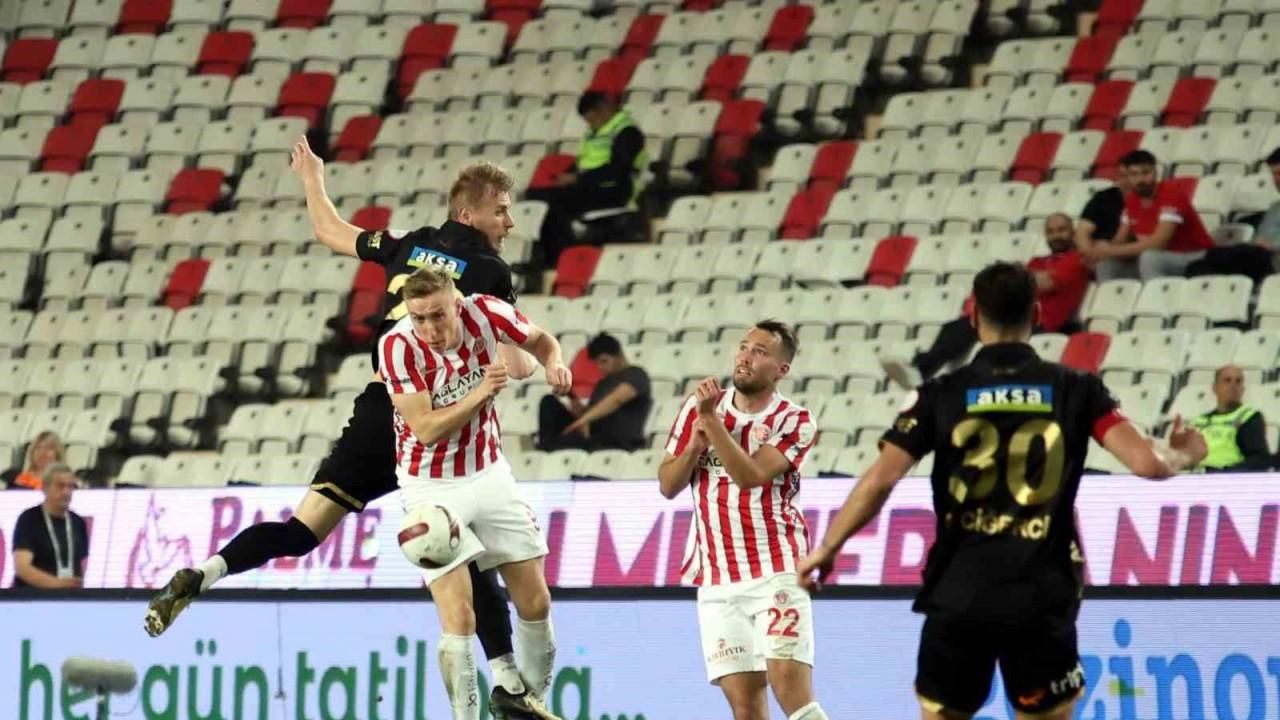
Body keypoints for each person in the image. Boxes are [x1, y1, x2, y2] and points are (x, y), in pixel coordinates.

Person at [147, 139, 558, 719]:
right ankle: (508, 681)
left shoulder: (407, 244)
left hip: (378, 412)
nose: (509, 223)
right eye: (501, 211)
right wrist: (516, 365)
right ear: (469, 214)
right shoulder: (488, 271)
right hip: (434, 423)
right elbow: (515, 357)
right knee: (464, 548)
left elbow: (329, 231)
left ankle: (204, 573)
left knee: (301, 531)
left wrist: (312, 178)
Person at [797, 262, 1208, 720]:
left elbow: (881, 478)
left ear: (974, 316)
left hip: (959, 592)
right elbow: (1148, 464)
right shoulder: (1077, 388)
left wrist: (828, 547)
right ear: (1037, 314)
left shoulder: (941, 392)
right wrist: (1187, 453)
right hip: (1041, 595)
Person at [380, 266, 572, 720]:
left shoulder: (487, 312)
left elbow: (541, 340)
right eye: (419, 317)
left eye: (438, 315)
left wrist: (554, 362)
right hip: (429, 486)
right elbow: (426, 429)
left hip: (488, 472)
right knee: (459, 618)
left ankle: (526, 704)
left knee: (536, 601)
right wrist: (483, 390)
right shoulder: (397, 346)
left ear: (457, 304)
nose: (429, 328)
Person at [658, 321, 829, 720]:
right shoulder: (699, 406)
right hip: (718, 578)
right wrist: (694, 446)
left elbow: (750, 476)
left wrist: (711, 424)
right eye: (743, 347)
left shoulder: (796, 420)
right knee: (746, 708)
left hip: (777, 571)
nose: (746, 357)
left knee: (791, 691)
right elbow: (667, 484)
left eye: (760, 352)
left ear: (781, 370)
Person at [881, 213, 1089, 389]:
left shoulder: (1077, 259)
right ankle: (920, 371)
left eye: (1061, 230)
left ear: (1072, 231)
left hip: (1039, 321)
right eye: (1051, 231)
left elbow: (1045, 283)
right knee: (960, 324)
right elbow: (1017, 282)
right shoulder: (1038, 261)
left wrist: (1016, 275)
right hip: (1015, 314)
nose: (1056, 235)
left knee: (973, 324)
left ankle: (921, 373)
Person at [526, 91, 647, 265]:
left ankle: (562, 255)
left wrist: (578, 178)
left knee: (556, 203)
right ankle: (540, 255)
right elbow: (582, 162)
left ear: (603, 109)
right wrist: (567, 176)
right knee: (535, 196)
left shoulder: (627, 131)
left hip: (615, 189)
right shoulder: (593, 133)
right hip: (590, 185)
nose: (590, 124)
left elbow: (618, 170)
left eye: (592, 119)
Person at [1085, 150, 1214, 281]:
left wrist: (1111, 251)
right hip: (1159, 259)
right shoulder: (1131, 201)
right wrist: (1101, 250)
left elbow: (1158, 244)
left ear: (1155, 173)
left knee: (1150, 258)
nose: (1140, 180)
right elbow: (1119, 240)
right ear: (1128, 177)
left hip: (1195, 256)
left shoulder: (1172, 194)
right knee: (1107, 265)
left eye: (1146, 173)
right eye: (1134, 174)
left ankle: (1154, 295)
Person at [538, 333, 652, 451]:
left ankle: (551, 447)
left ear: (619, 355)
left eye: (604, 361)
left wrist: (583, 420)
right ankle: (546, 448)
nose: (600, 367)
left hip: (619, 439)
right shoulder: (602, 383)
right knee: (549, 402)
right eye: (597, 363)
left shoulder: (636, 374)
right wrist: (575, 402)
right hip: (594, 436)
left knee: (566, 441)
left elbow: (616, 400)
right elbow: (591, 414)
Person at [12, 464, 88, 589]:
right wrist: (57, 585)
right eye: (60, 486)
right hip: (33, 596)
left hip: (69, 597)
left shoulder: (78, 522)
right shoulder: (29, 519)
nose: (66, 492)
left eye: (70, 486)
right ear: (45, 488)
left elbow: (81, 564)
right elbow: (22, 568)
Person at [1191, 365, 1271, 473]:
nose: (1233, 386)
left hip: (1228, 478)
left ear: (1243, 389)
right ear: (1215, 388)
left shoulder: (1248, 417)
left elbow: (1258, 460)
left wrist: (1226, 472)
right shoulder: (1200, 421)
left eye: (1238, 381)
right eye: (1227, 380)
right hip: (1196, 477)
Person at [1073, 173, 1130, 247]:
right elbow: (1082, 234)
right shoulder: (1103, 197)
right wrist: (1091, 251)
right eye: (1123, 176)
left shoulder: (1137, 203)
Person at [1253, 147, 1280, 248]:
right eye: (1273, 174)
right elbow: (1260, 243)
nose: (1276, 180)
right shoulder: (1275, 208)